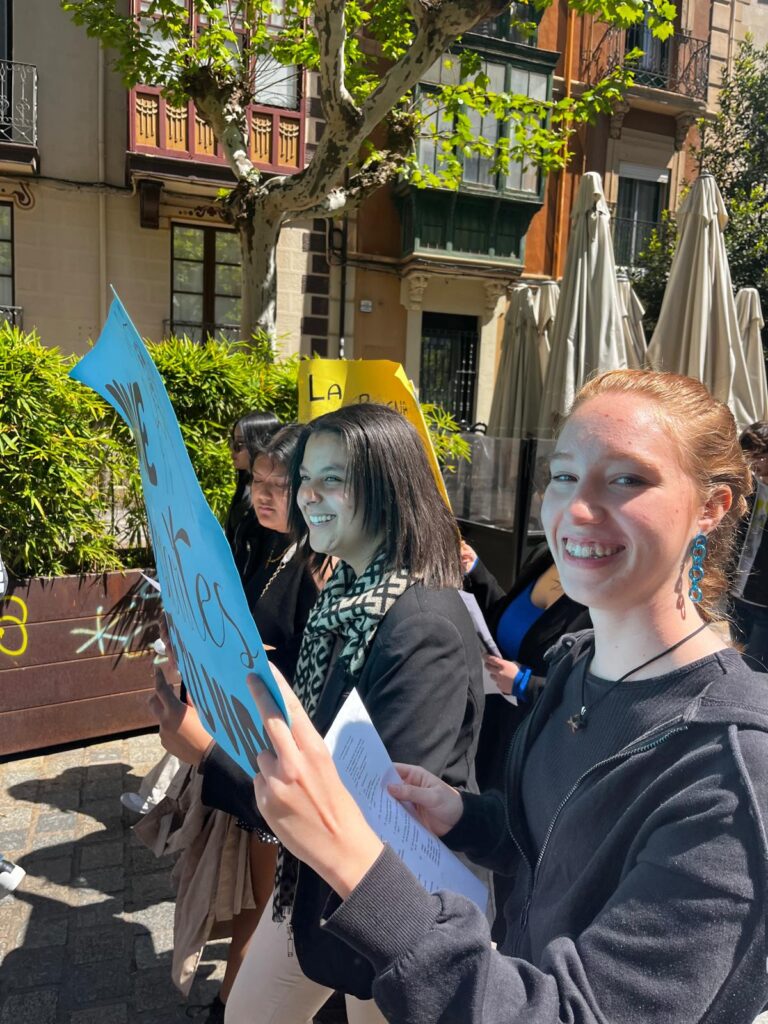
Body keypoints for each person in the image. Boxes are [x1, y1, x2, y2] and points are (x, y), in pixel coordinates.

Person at [242, 369, 768, 1024]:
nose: (577, 509)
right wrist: (470, 818)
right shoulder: (577, 669)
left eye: (627, 479)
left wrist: (356, 864)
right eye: (564, 475)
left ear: (711, 507)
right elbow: (550, 850)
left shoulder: (734, 766)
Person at [154, 404, 485, 1024]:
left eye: (333, 479)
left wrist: (209, 753)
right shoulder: (344, 597)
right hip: (311, 886)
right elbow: (317, 733)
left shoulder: (421, 624)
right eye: (305, 477)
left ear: (388, 488)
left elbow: (369, 809)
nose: (307, 495)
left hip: (390, 907)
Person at [140, 424, 323, 1023]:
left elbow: (310, 669)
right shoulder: (262, 544)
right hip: (243, 743)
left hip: (279, 756)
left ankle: (236, 1006)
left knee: (269, 902)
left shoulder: (320, 565)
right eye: (257, 481)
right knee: (252, 894)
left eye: (279, 484)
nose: (262, 494)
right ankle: (230, 1002)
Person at [224, 410, 280, 580]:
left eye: (239, 444)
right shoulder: (244, 486)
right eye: (232, 442)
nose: (232, 450)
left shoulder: (276, 501)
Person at [730, 420, 768, 670]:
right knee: (738, 660)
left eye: (759, 456)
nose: (754, 463)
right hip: (738, 595)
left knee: (757, 668)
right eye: (749, 456)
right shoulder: (747, 488)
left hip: (765, 604)